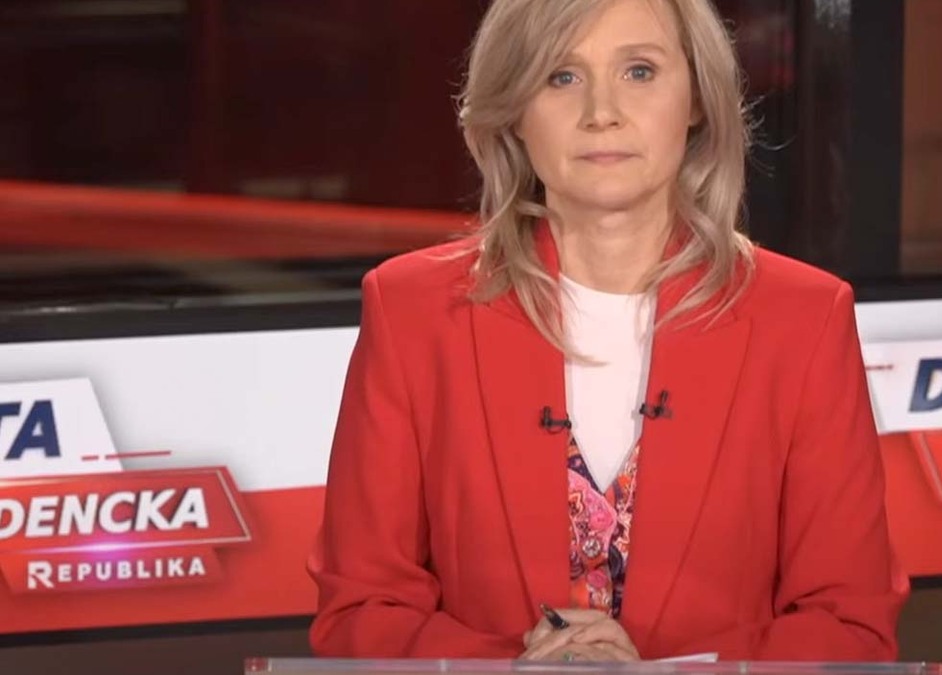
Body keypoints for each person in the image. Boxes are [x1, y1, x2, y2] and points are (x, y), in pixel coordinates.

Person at [308, 0, 907, 662]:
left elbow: (849, 624)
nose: (602, 112)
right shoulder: (411, 312)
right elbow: (362, 610)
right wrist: (514, 668)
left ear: (696, 99)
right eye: (561, 76)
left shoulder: (805, 319)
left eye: (639, 71)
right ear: (514, 109)